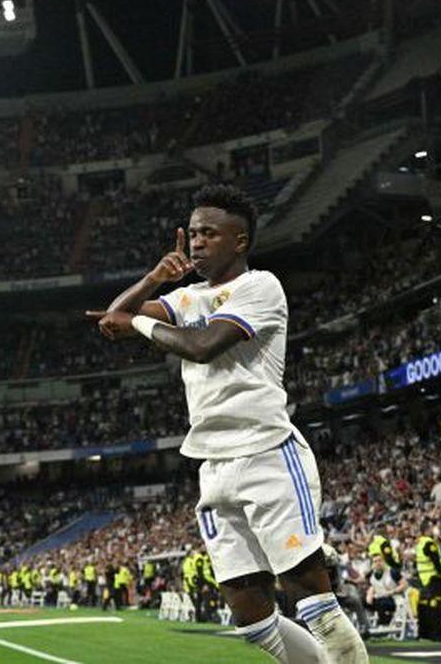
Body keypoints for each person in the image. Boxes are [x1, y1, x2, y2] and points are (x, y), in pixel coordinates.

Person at [87, 184, 366, 663]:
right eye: (193, 233)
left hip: (267, 453)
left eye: (209, 234)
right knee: (251, 618)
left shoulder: (261, 286)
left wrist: (134, 322)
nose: (196, 242)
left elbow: (202, 346)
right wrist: (154, 278)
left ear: (239, 241)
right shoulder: (189, 296)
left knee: (314, 605)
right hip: (212, 464)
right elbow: (119, 313)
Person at [414, 520, 441, 641]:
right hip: (433, 579)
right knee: (436, 606)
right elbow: (436, 563)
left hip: (424, 579)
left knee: (425, 606)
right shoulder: (429, 543)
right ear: (427, 530)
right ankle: (438, 634)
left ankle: (424, 633)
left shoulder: (420, 543)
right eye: (431, 528)